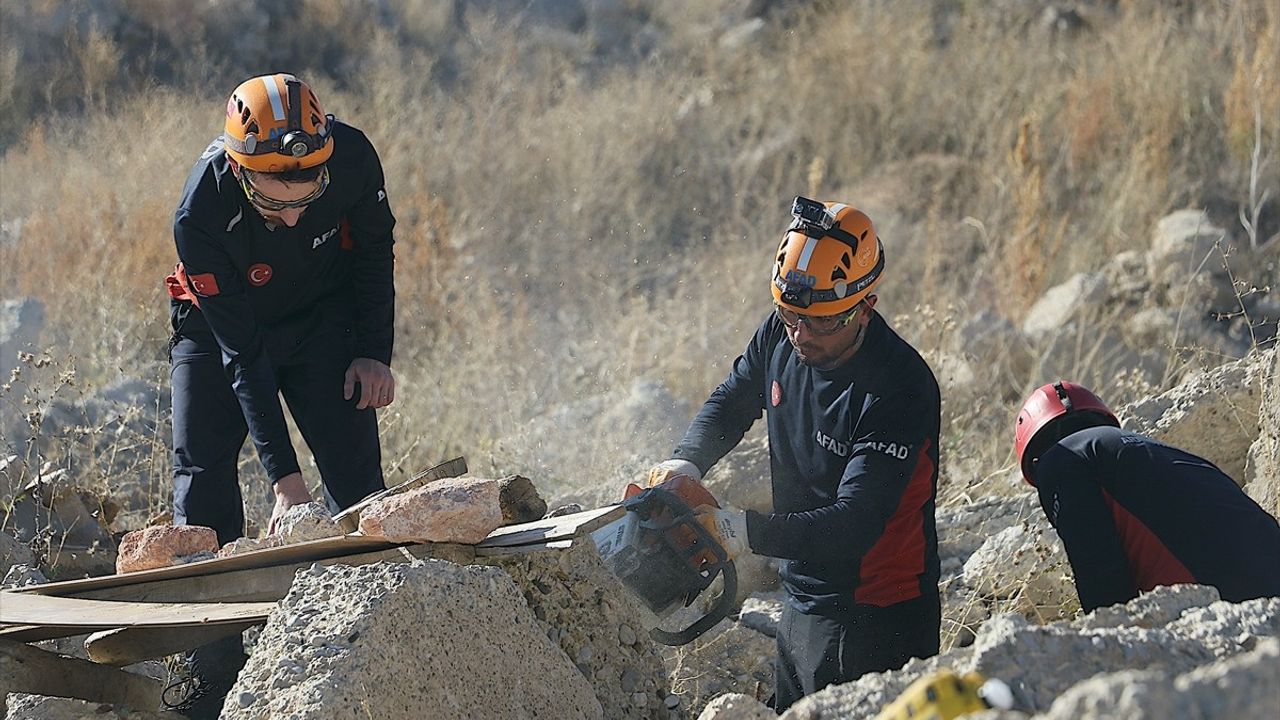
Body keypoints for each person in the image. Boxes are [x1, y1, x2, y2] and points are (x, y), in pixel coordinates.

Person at [644, 197, 942, 713]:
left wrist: (743, 532)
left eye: (822, 323)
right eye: (790, 316)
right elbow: (731, 403)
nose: (801, 336)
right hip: (800, 597)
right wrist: (685, 462)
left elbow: (855, 524)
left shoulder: (899, 389)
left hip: (877, 615)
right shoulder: (785, 333)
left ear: (865, 305)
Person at [163, 72, 396, 717]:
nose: (293, 214)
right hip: (219, 335)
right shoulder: (201, 212)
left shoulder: (351, 157)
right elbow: (243, 357)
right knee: (205, 488)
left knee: (360, 488)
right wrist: (285, 479)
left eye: (306, 196)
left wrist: (373, 350)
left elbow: (376, 251)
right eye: (274, 204)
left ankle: (371, 651)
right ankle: (209, 684)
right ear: (241, 173)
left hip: (319, 317)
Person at [1014, 381, 1280, 613]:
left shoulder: (1059, 460)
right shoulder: (1152, 451)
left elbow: (1101, 576)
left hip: (1228, 606)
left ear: (1034, 460)